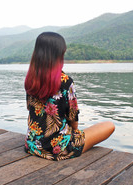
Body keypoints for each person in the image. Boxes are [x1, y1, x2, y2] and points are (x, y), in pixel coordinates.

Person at [24, 32, 115, 161]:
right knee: (109, 125)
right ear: (59, 55)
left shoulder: (31, 80)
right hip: (59, 149)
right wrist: (72, 133)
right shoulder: (65, 81)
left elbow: (30, 110)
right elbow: (73, 120)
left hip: (32, 145)